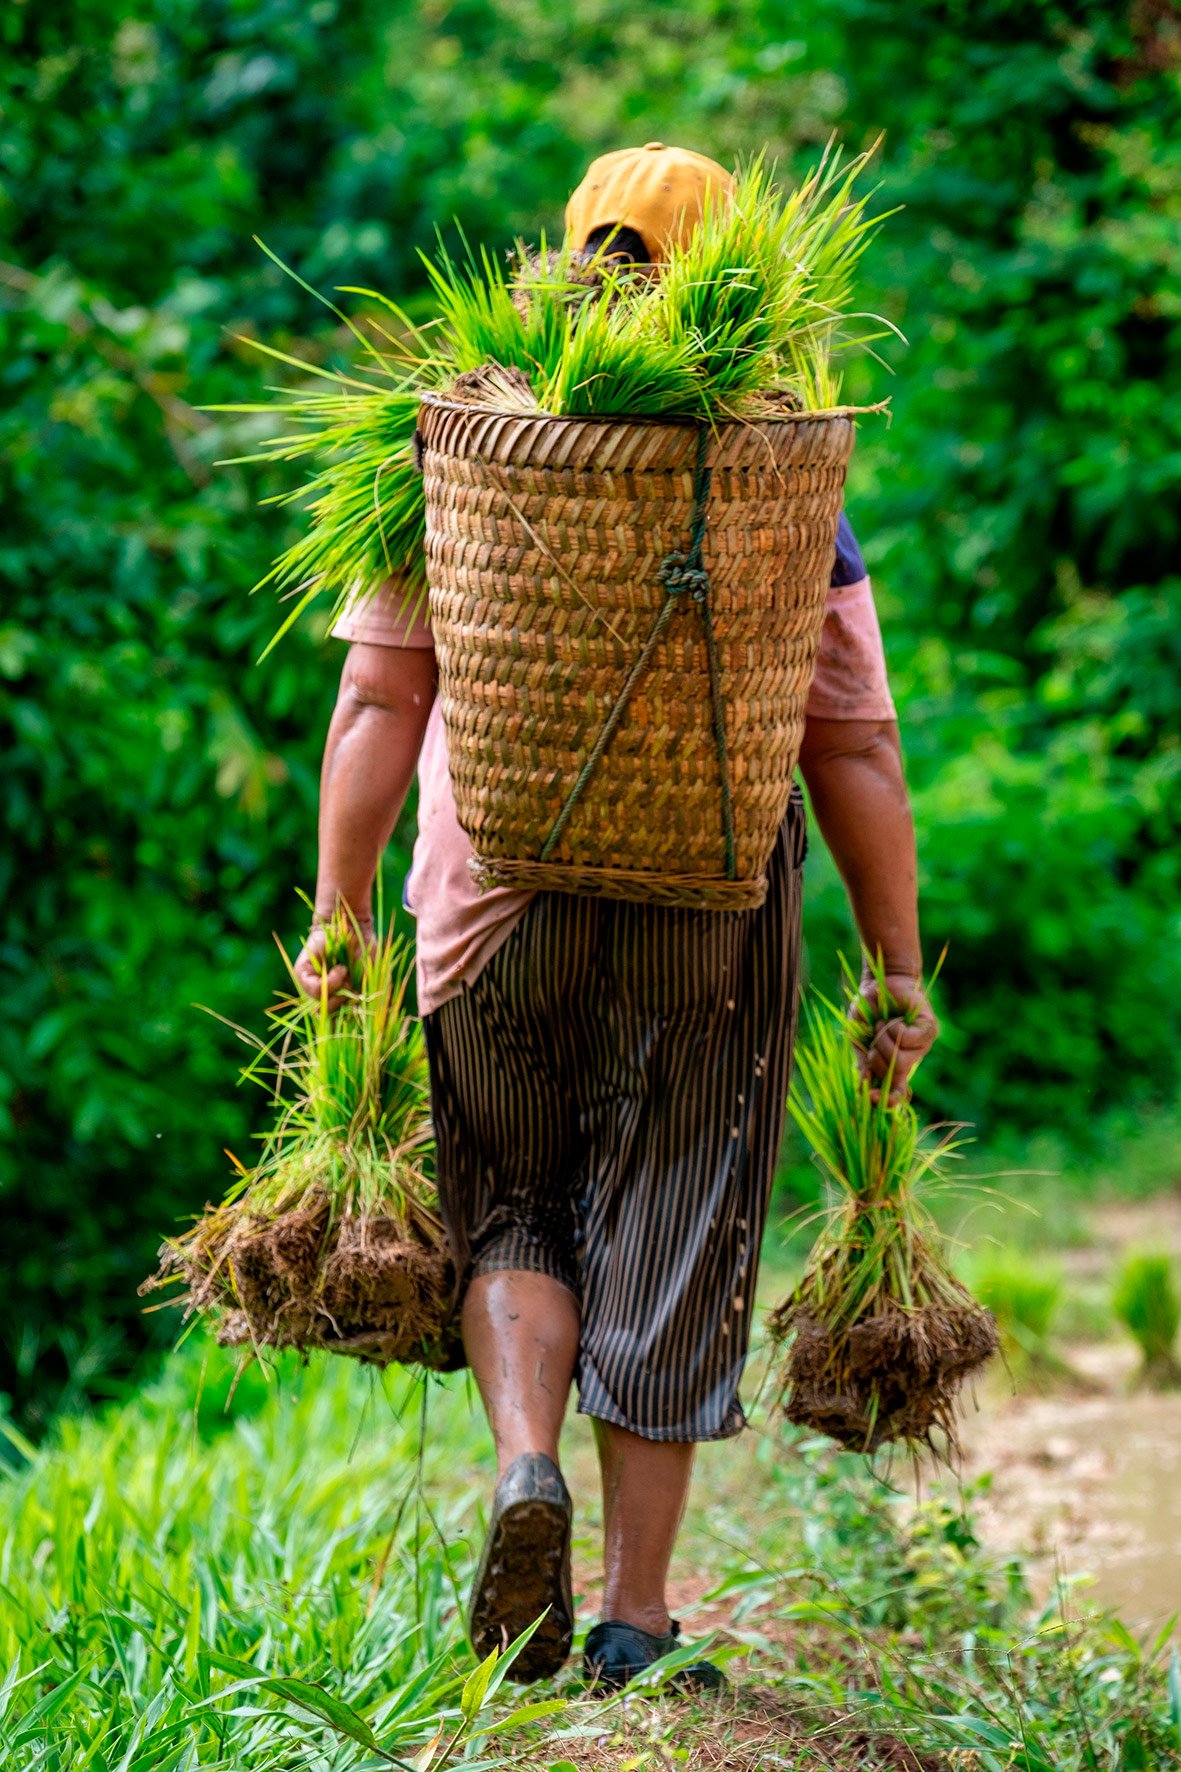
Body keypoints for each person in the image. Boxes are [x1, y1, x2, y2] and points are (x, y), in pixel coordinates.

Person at [294, 143, 938, 1690]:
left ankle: (527, 1466)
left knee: (511, 1201)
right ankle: (635, 1618)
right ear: (738, 265)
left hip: (485, 905)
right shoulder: (774, 464)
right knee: (673, 1219)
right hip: (705, 911)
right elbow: (849, 740)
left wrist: (339, 907)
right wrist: (896, 963)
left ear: (572, 247)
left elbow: (377, 692)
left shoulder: (460, 439)